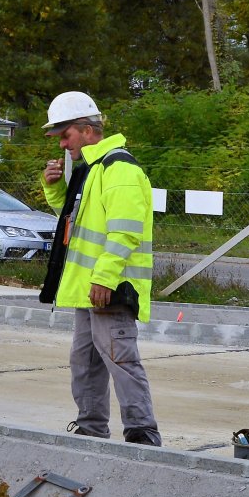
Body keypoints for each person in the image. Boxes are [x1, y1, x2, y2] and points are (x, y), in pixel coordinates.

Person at [38, 91, 161, 446]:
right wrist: (53, 188)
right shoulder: (91, 169)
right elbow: (74, 218)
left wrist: (105, 278)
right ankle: (91, 429)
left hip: (109, 288)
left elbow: (125, 231)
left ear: (87, 130)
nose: (62, 143)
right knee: (85, 363)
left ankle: (142, 435)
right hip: (88, 290)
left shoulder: (117, 169)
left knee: (121, 360)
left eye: (65, 135)